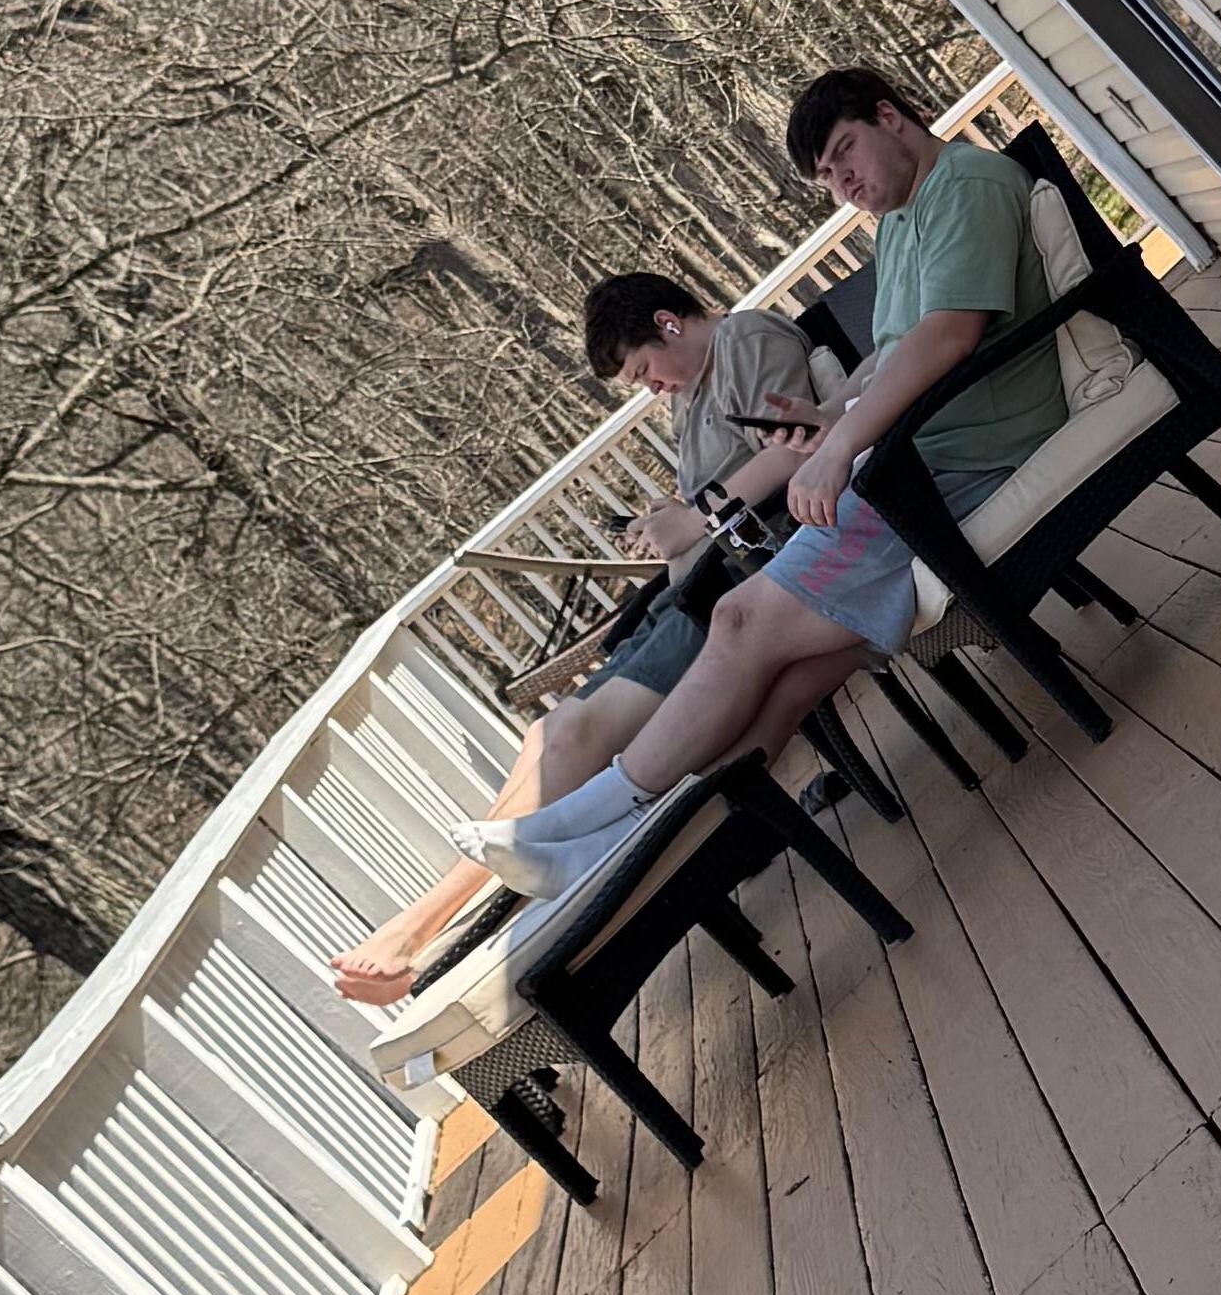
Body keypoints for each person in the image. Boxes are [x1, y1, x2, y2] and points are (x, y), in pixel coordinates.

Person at [471, 66, 1072, 914]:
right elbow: (897, 349)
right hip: (919, 457)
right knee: (789, 679)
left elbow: (947, 335)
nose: (843, 184)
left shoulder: (963, 186)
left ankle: (600, 819)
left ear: (892, 118)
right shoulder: (903, 222)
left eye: (844, 154)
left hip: (952, 462)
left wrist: (837, 451)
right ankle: (639, 851)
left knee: (739, 617)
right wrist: (832, 414)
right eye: (826, 176)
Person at [327, 269, 849, 1007]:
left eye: (643, 371)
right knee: (548, 734)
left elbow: (800, 447)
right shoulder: (693, 396)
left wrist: (695, 519)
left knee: (575, 735)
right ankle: (451, 914)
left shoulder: (746, 340)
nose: (651, 389)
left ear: (669, 324)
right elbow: (724, 483)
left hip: (736, 589)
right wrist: (668, 520)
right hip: (692, 593)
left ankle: (434, 929)